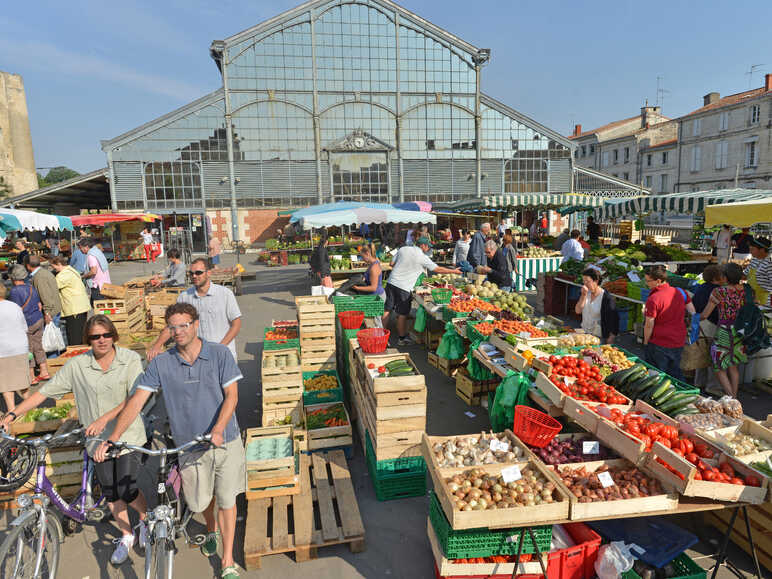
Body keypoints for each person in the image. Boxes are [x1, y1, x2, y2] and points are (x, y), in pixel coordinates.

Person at [97, 303, 244, 579]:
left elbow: (232, 396)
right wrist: (114, 437)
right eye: (172, 327)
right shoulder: (163, 363)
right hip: (188, 446)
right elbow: (137, 400)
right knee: (201, 502)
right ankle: (210, 527)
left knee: (227, 499)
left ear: (196, 324)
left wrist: (220, 428)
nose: (178, 332)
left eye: (184, 325)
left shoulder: (220, 354)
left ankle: (227, 560)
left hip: (225, 441)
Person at [2, 315, 149, 565]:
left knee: (127, 488)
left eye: (106, 335)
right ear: (88, 340)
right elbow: (43, 394)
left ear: (113, 335)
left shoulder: (130, 359)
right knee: (112, 492)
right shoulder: (78, 366)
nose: (101, 340)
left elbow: (136, 396)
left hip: (127, 436)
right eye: (95, 336)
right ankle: (126, 534)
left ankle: (145, 520)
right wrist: (13, 414)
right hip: (96, 441)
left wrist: (105, 419)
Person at [146, 257, 242, 362]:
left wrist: (220, 347)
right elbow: (172, 326)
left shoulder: (225, 294)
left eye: (198, 273)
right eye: (191, 274)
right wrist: (157, 345)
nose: (194, 276)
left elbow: (236, 324)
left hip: (224, 355)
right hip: (197, 358)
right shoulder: (184, 297)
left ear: (208, 273)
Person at [383, 237, 461, 346]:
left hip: (391, 282)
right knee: (402, 314)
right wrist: (454, 271)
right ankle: (401, 339)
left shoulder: (403, 249)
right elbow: (437, 269)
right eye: (428, 246)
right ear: (422, 246)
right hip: (404, 287)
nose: (428, 248)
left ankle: (382, 336)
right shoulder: (422, 257)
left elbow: (391, 263)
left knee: (387, 309)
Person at [698, 263, 748, 398]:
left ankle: (732, 398)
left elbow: (705, 315)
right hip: (739, 331)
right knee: (733, 366)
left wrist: (694, 317)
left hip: (724, 331)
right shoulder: (746, 290)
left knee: (718, 366)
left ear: (725, 277)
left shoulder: (719, 292)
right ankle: (734, 397)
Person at [642, 264, 696, 381]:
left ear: (658, 281)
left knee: (657, 376)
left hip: (659, 342)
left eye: (648, 281)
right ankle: (684, 393)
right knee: (675, 371)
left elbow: (649, 324)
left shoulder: (654, 299)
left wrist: (646, 342)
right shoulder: (680, 292)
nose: (647, 284)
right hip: (678, 339)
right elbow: (692, 311)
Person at [9, 265, 50, 384]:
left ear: (13, 277)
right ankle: (44, 371)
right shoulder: (31, 287)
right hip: (38, 320)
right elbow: (39, 304)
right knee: (38, 346)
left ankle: (31, 377)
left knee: (28, 350)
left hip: (27, 323)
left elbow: (15, 310)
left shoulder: (14, 291)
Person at [0, 284, 30, 413]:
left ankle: (11, 411)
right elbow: (24, 327)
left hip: (3, 348)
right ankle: (29, 408)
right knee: (23, 380)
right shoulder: (14, 306)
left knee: (6, 382)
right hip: (20, 346)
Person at [50, 256, 90, 346]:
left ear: (59, 264)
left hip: (74, 309)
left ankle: (77, 355)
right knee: (81, 334)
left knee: (74, 337)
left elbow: (52, 287)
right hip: (81, 307)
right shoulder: (71, 270)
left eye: (53, 267)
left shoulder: (64, 275)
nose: (53, 269)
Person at [575, 268, 618, 344]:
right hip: (584, 334)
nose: (585, 284)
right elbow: (578, 311)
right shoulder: (585, 293)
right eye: (583, 281)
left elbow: (614, 319)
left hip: (599, 337)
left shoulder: (606, 298)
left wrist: (611, 338)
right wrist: (583, 296)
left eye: (587, 281)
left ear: (596, 281)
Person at [26, 254, 63, 330]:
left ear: (28, 266)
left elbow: (46, 297)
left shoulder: (39, 277)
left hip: (51, 313)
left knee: (50, 339)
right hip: (54, 310)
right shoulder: (42, 273)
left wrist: (47, 314)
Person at [79, 238, 111, 303]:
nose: (80, 250)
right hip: (106, 283)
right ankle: (106, 312)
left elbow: (93, 271)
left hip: (98, 286)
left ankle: (105, 313)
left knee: (100, 308)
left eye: (81, 248)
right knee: (97, 305)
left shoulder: (91, 255)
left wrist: (83, 276)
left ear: (86, 247)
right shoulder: (98, 252)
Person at [745, 237, 772, 306]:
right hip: (751, 298)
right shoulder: (754, 260)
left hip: (764, 302)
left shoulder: (769, 264)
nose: (750, 252)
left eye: (752, 249)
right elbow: (745, 274)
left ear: (762, 250)